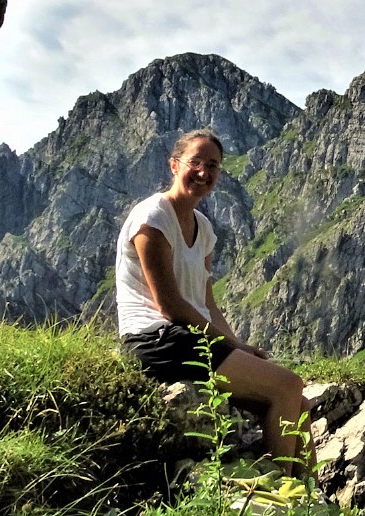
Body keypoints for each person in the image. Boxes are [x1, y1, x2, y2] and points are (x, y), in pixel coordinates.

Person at [115, 128, 312, 475]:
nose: (204, 173)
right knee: (287, 385)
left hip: (188, 338)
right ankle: (286, 493)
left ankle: (310, 497)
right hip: (156, 339)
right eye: (196, 162)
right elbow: (170, 305)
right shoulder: (153, 217)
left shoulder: (203, 228)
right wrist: (227, 344)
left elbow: (207, 303)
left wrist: (240, 347)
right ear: (175, 165)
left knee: (299, 404)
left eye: (214, 166)